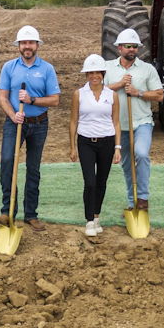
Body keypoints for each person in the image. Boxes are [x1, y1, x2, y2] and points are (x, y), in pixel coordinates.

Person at [0, 25, 61, 232]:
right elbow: (2, 97)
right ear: (19, 46)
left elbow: (55, 100)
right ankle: (7, 211)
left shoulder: (47, 69)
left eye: (31, 42)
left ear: (37, 45)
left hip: (39, 123)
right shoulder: (9, 68)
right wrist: (13, 115)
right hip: (15, 123)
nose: (27, 46)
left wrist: (32, 100)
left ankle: (31, 215)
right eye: (24, 43)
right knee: (7, 161)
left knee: (33, 168)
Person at [105, 28, 164, 212]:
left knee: (142, 154)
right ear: (119, 48)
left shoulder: (147, 69)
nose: (132, 49)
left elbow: (159, 95)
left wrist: (137, 92)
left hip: (142, 122)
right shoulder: (107, 67)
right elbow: (99, 90)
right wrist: (120, 85)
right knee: (127, 164)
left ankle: (143, 199)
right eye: (128, 46)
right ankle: (132, 202)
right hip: (118, 125)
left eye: (135, 47)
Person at [69, 54, 121, 237]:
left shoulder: (112, 95)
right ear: (86, 75)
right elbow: (74, 121)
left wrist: (117, 147)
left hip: (107, 142)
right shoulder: (79, 94)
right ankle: (89, 219)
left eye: (97, 72)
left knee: (101, 182)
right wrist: (73, 146)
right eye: (90, 73)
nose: (94, 76)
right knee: (90, 182)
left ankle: (97, 216)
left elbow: (116, 122)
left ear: (103, 74)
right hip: (86, 142)